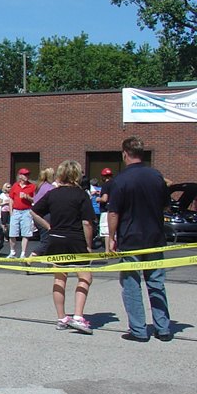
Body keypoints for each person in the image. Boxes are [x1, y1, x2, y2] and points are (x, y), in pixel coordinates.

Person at [107, 136, 172, 343]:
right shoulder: (156, 176)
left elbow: (114, 212)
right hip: (154, 237)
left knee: (132, 284)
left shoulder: (120, 180)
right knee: (156, 283)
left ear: (124, 154)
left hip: (131, 239)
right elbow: (166, 206)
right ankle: (163, 329)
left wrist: (111, 237)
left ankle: (138, 330)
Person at [31, 160, 95, 334]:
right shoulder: (81, 195)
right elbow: (87, 223)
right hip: (75, 239)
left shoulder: (53, 194)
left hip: (56, 239)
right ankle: (78, 316)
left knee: (60, 278)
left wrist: (48, 226)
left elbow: (34, 211)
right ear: (76, 175)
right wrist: (89, 246)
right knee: (85, 276)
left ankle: (61, 317)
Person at [8, 168, 36, 258]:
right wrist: (11, 211)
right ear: (20, 176)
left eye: (27, 174)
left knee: (26, 233)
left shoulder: (32, 186)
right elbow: (11, 199)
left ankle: (23, 253)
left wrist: (27, 197)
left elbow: (35, 199)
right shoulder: (15, 186)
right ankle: (12, 252)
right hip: (16, 211)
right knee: (12, 233)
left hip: (26, 211)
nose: (26, 176)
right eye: (24, 174)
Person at [31, 168, 56, 256]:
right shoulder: (50, 188)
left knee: (45, 239)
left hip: (37, 216)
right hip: (45, 216)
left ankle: (48, 263)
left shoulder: (39, 186)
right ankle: (32, 257)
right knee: (47, 240)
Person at [0, 182, 13, 248]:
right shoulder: (2, 195)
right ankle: (4, 236)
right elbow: (0, 203)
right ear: (5, 188)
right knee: (4, 224)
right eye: (8, 187)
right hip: (4, 210)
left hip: (10, 210)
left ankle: (10, 236)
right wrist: (6, 202)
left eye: (10, 187)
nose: (9, 188)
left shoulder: (11, 194)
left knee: (10, 223)